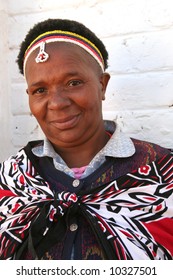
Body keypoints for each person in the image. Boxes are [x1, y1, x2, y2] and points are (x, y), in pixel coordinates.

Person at [0, 18, 173, 260]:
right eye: (40, 90)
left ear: (102, 85)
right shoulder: (9, 180)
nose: (58, 103)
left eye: (74, 83)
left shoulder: (164, 172)